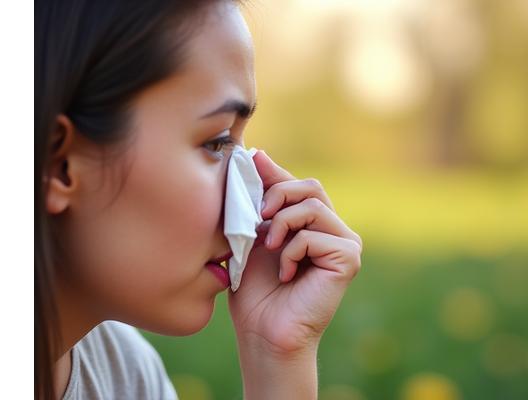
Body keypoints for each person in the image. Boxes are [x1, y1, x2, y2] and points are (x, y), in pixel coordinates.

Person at [35, 1, 363, 399]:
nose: (257, 201)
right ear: (60, 165)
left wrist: (278, 357)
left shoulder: (127, 374)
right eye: (217, 141)